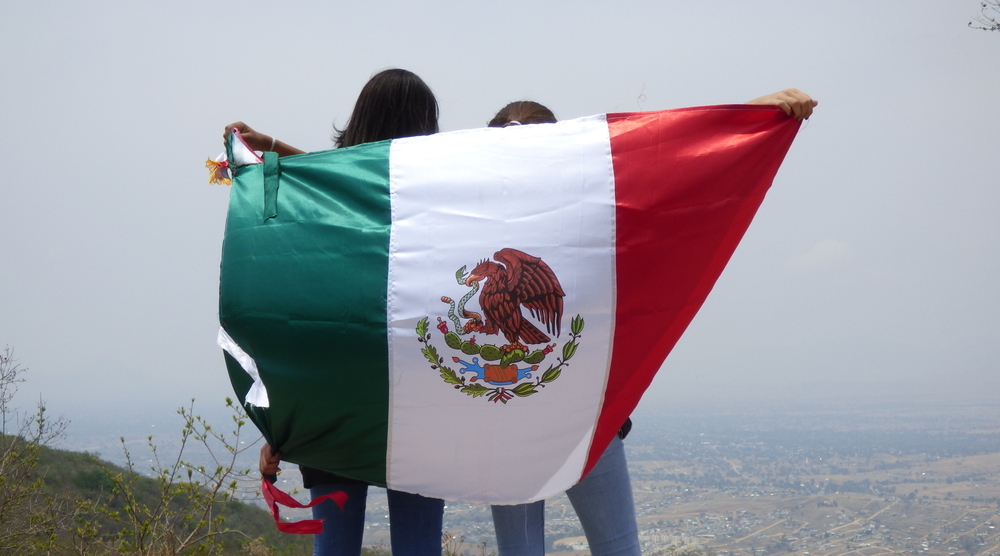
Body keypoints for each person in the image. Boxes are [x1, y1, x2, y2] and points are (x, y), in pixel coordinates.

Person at [486, 89, 817, 556]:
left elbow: (675, 164)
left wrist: (758, 114)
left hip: (519, 417)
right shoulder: (596, 212)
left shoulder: (477, 224)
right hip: (583, 414)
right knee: (617, 548)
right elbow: (675, 169)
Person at [226, 68, 445, 556]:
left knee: (335, 548)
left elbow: (289, 309)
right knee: (419, 545)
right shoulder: (431, 201)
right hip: (417, 400)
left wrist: (284, 422)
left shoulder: (325, 209)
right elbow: (364, 183)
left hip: (333, 402)